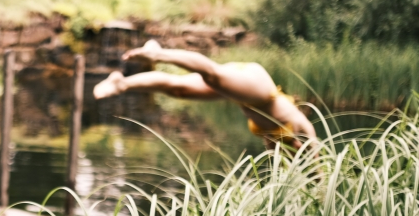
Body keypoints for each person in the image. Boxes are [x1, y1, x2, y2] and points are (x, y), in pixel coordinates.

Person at [94, 41, 318, 151]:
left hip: (242, 93)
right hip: (260, 89)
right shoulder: (301, 126)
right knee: (212, 75)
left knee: (178, 89)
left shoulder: (279, 140)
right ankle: (158, 54)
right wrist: (321, 186)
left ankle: (121, 83)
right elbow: (317, 161)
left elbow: (277, 167)